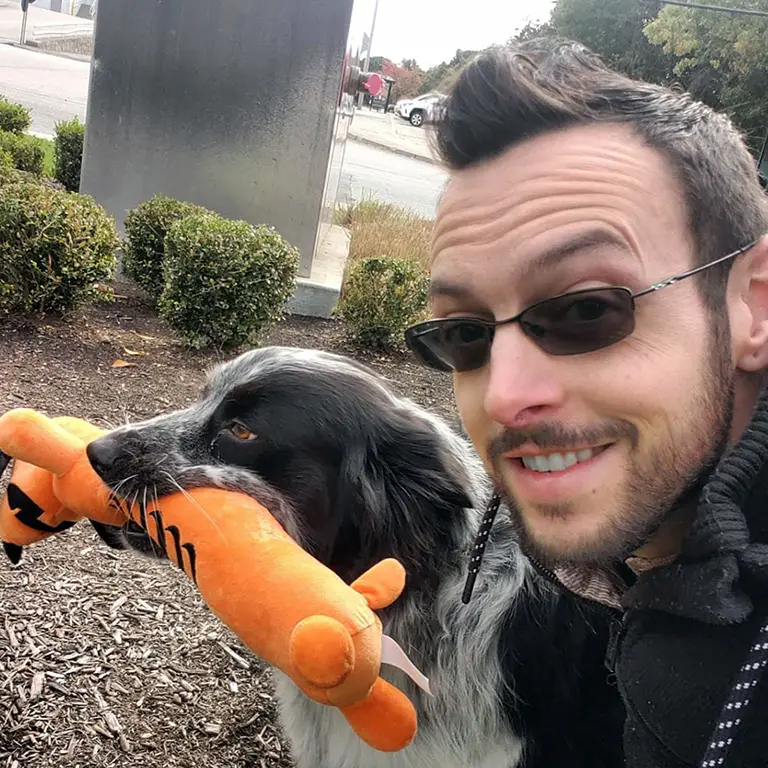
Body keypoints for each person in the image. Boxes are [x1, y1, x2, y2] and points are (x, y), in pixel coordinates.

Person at [404, 38, 768, 768]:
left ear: (754, 309)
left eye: (585, 311)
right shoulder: (644, 533)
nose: (504, 396)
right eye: (467, 333)